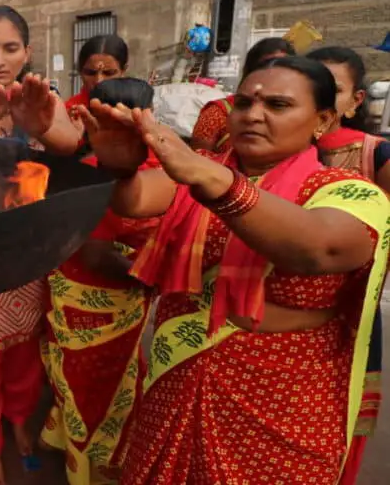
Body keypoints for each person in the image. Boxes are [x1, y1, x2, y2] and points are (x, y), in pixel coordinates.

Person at [78, 56, 389, 484]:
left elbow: (322, 248)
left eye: (278, 106)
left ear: (323, 119)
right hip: (176, 390)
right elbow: (133, 200)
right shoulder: (202, 170)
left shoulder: (348, 191)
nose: (253, 115)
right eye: (243, 104)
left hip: (282, 412)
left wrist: (215, 180)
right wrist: (119, 165)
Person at [0, 5, 78, 485]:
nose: (0, 59)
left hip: (30, 254)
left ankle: (21, 424)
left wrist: (39, 124)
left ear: (27, 51)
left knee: (24, 356)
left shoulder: (43, 98)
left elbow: (71, 144)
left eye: (10, 48)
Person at [39, 78, 160, 485]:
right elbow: (90, 251)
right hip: (84, 293)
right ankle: (87, 463)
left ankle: (99, 460)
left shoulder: (162, 172)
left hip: (127, 298)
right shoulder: (84, 174)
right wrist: (153, 270)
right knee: (81, 382)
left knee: (114, 381)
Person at [309, 46, 390, 485]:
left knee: (341, 416)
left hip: (350, 312)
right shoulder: (270, 152)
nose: (320, 98)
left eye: (332, 90)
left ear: (356, 101)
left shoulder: (376, 156)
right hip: (278, 318)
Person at [190, 37, 295, 152]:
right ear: (251, 71)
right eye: (266, 66)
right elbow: (197, 161)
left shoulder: (301, 113)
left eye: (283, 68)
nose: (275, 74)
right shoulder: (218, 113)